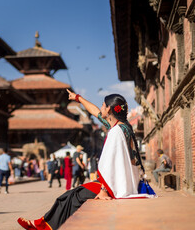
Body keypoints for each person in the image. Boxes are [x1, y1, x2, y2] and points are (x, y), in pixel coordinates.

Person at [17, 90, 154, 230]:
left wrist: (103, 190)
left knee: (73, 196)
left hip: (113, 187)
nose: (100, 108)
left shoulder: (116, 131)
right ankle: (42, 223)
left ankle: (43, 226)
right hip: (120, 183)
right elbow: (95, 112)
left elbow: (109, 163)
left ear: (109, 109)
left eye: (103, 105)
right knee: (70, 195)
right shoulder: (122, 127)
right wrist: (78, 98)